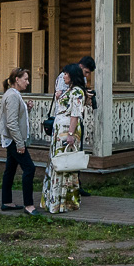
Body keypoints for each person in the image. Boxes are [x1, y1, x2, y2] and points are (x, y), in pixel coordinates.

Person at [40, 63, 87, 214]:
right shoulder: (68, 90)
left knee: (65, 164)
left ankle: (65, 201)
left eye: (66, 74)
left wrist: (71, 135)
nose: (63, 76)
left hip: (67, 131)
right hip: (59, 130)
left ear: (72, 75)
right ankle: (53, 200)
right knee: (57, 162)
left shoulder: (78, 92)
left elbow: (75, 114)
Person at [0, 67, 42, 216]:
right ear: (17, 80)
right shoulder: (12, 96)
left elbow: (16, 116)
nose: (28, 82)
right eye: (25, 79)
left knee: (10, 170)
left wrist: (27, 109)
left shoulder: (14, 94)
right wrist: (19, 143)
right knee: (29, 168)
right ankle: (29, 205)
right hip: (13, 139)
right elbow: (11, 122)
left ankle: (6, 202)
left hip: (11, 138)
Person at [52, 56, 95, 195]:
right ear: (80, 67)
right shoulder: (64, 78)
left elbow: (77, 105)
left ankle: (74, 186)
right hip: (65, 123)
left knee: (73, 154)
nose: (86, 75)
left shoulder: (80, 84)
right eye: (86, 72)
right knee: (62, 157)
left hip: (72, 123)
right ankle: (61, 188)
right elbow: (64, 100)